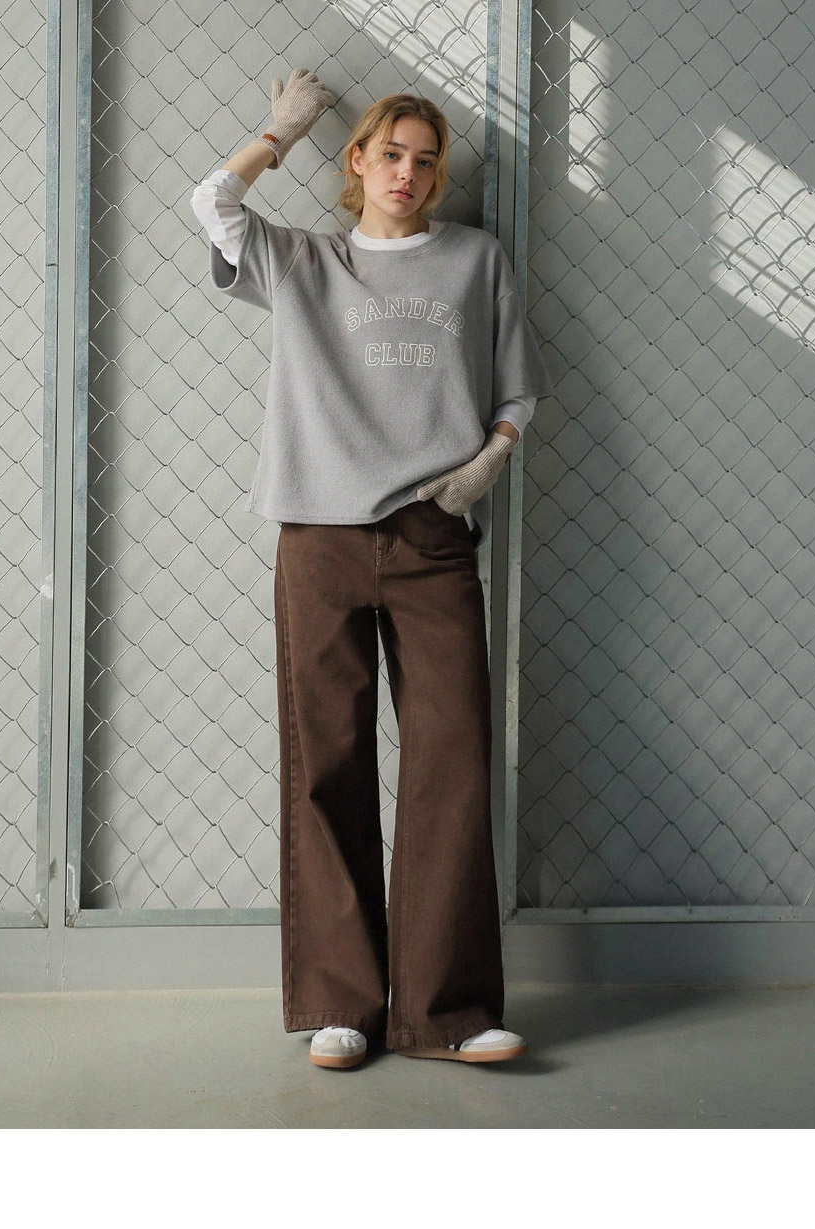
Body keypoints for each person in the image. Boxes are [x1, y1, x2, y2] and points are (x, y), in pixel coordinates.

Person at [190, 67, 553, 1069]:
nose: (408, 173)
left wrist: (489, 462)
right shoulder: (305, 261)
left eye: (425, 161)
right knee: (327, 762)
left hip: (433, 537)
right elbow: (211, 203)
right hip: (319, 535)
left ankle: (449, 1010)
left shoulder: (475, 261)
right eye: (390, 154)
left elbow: (519, 388)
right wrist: (279, 131)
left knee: (452, 756)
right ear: (357, 161)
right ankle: (339, 1003)